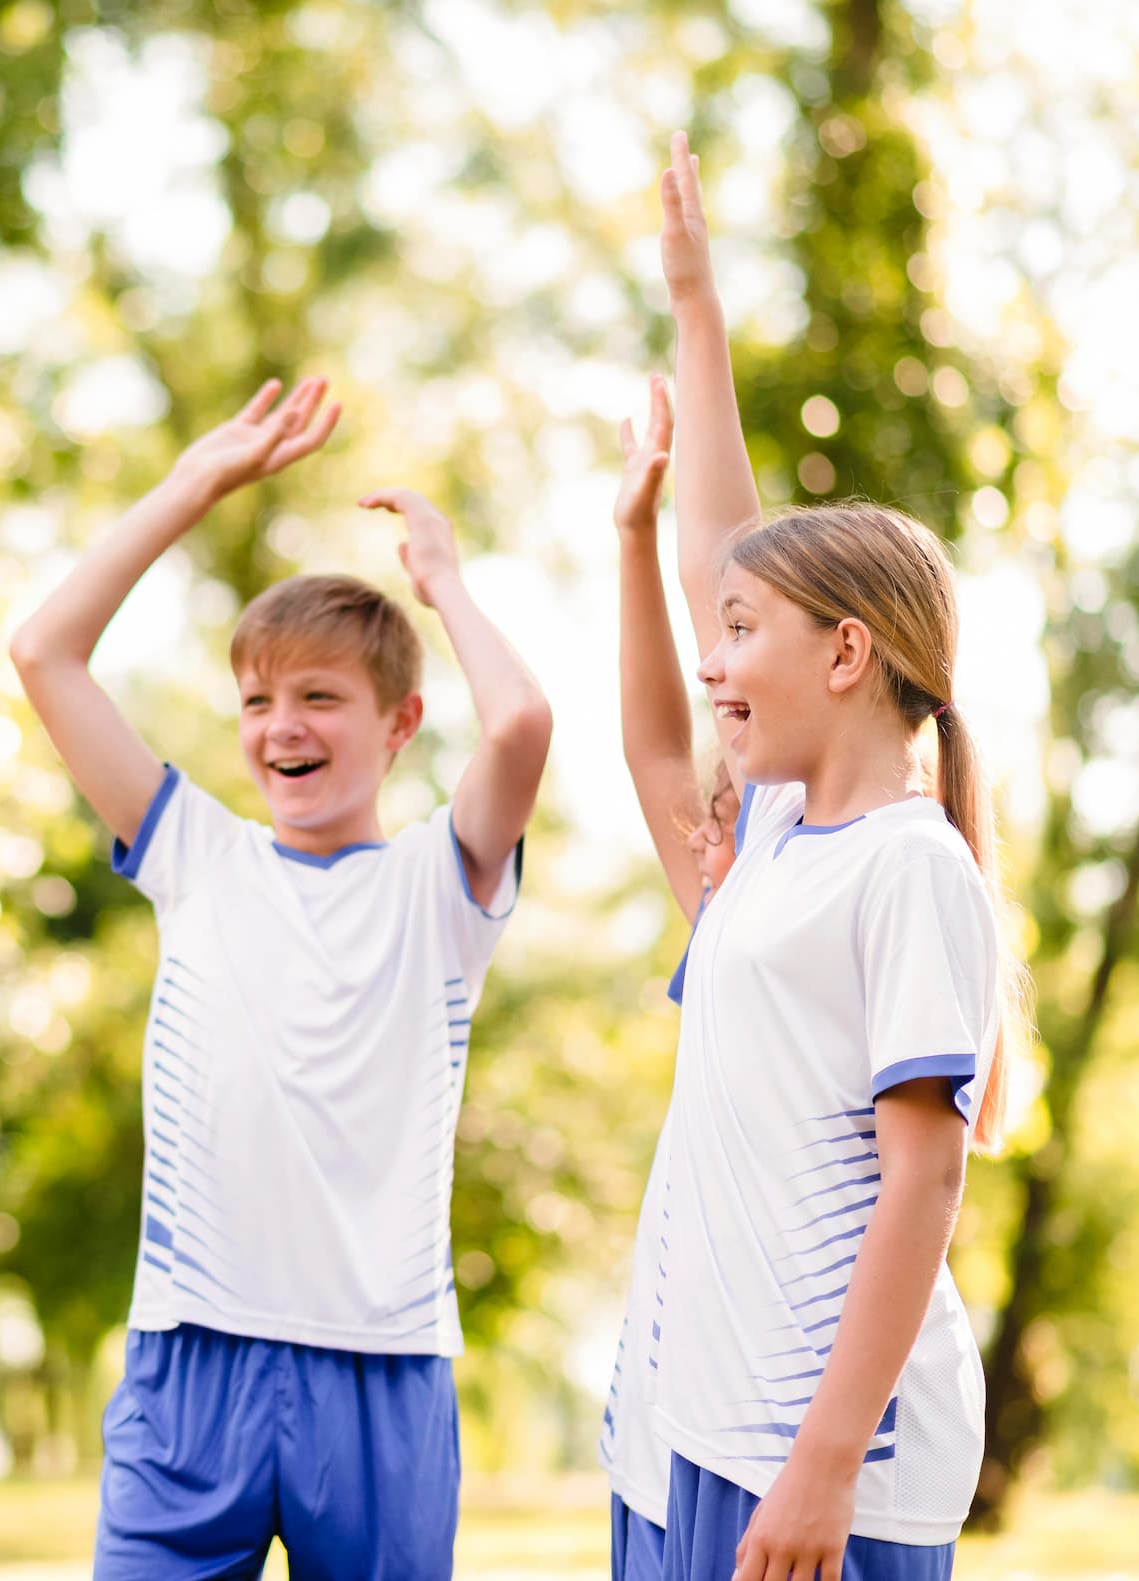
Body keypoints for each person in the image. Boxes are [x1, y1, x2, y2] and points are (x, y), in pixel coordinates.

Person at [9, 379, 553, 1578]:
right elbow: (44, 652)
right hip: (190, 1359)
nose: (280, 726)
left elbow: (520, 725)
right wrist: (192, 485)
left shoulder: (440, 884)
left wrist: (444, 583)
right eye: (257, 700)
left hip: (381, 1371)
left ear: (400, 723)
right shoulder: (196, 854)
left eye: (319, 697)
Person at [649, 130, 1023, 1581]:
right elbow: (721, 546)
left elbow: (924, 1183)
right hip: (724, 1438)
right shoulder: (781, 839)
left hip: (830, 1469)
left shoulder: (911, 868)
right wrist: (697, 313)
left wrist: (821, 1463)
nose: (716, 661)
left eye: (745, 635)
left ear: (849, 654)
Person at [598, 375, 741, 1581]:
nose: (694, 829)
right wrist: (630, 535)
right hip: (663, 1430)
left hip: (765, 1436)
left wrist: (698, 312)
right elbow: (651, 746)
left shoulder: (853, 876)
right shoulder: (732, 905)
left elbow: (731, 563)